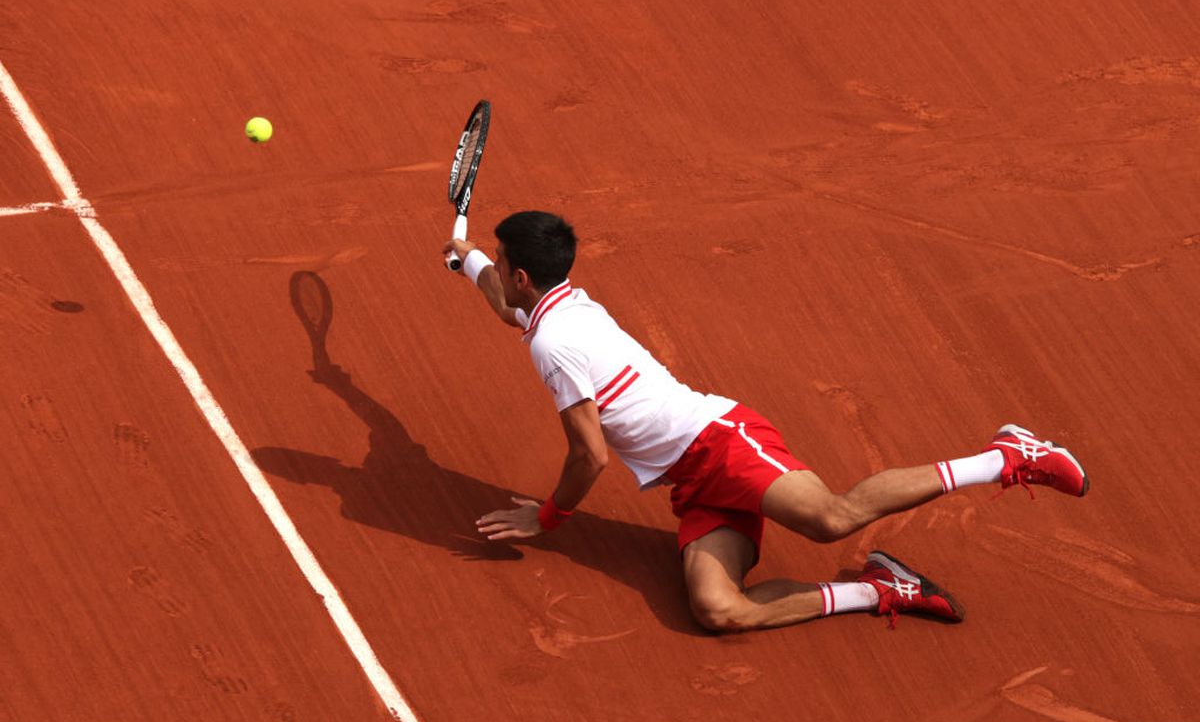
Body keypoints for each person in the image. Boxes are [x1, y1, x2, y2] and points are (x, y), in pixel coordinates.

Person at [443, 211, 1089, 632]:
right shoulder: (563, 305)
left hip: (722, 444)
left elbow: (590, 456)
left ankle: (1007, 456)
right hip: (694, 480)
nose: (498, 271)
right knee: (716, 611)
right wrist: (469, 259)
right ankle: (879, 589)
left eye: (500, 261)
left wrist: (548, 517)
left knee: (830, 518)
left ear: (523, 275)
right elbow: (507, 306)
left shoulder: (553, 344)